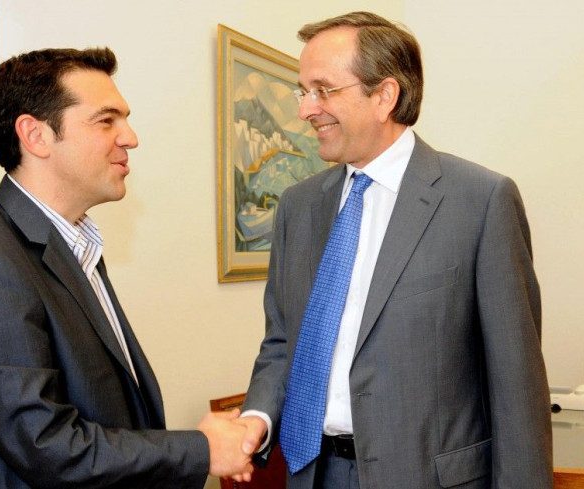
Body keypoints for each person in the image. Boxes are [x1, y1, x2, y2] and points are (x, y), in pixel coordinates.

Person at [236, 11, 553, 489]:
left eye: (323, 90)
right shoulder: (297, 208)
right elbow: (282, 342)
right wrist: (257, 417)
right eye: (304, 91)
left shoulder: (480, 201)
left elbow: (517, 385)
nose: (305, 109)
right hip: (312, 473)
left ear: (384, 95)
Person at [0, 47, 251, 489]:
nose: (130, 137)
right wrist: (201, 449)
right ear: (35, 136)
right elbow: (49, 447)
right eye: (106, 120)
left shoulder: (72, 246)